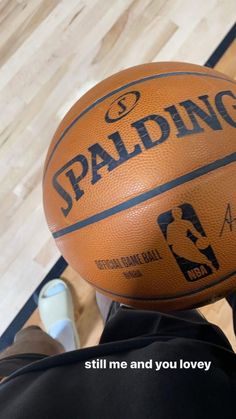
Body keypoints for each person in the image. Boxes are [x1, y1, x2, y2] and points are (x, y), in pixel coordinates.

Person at [0, 278, 235, 419]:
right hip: (170, 372)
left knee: (29, 338)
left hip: (18, 400)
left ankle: (63, 344)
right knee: (118, 284)